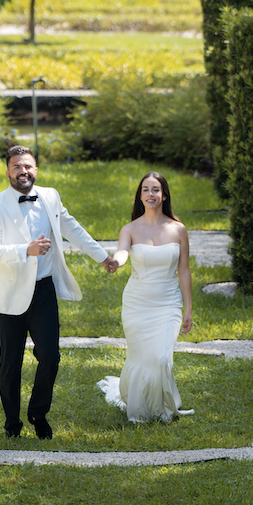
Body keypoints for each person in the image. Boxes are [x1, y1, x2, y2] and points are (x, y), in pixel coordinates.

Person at [0, 144, 119, 440]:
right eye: (17, 167)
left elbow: (73, 228)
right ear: (8, 172)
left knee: (51, 356)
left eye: (28, 166)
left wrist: (102, 256)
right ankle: (11, 423)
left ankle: (38, 413)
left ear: (36, 170)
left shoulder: (50, 197)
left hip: (43, 290)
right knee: (10, 362)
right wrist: (25, 250)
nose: (23, 171)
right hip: (10, 295)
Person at [98, 170, 192, 424]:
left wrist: (188, 309)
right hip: (137, 302)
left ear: (164, 195)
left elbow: (183, 270)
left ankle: (163, 408)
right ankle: (139, 410)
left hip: (168, 302)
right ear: (140, 196)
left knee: (162, 358)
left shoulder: (178, 229)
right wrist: (115, 262)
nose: (150, 194)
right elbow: (122, 253)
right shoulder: (129, 228)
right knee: (140, 356)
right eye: (145, 190)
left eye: (155, 190)